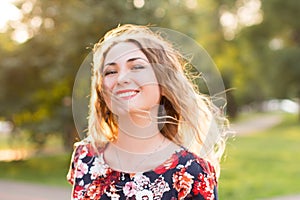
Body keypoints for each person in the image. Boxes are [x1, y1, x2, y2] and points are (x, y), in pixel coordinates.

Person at [67, 24, 228, 200]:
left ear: (164, 83)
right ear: (102, 91)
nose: (121, 79)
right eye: (111, 71)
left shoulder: (192, 172)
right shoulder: (85, 157)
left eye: (136, 67)